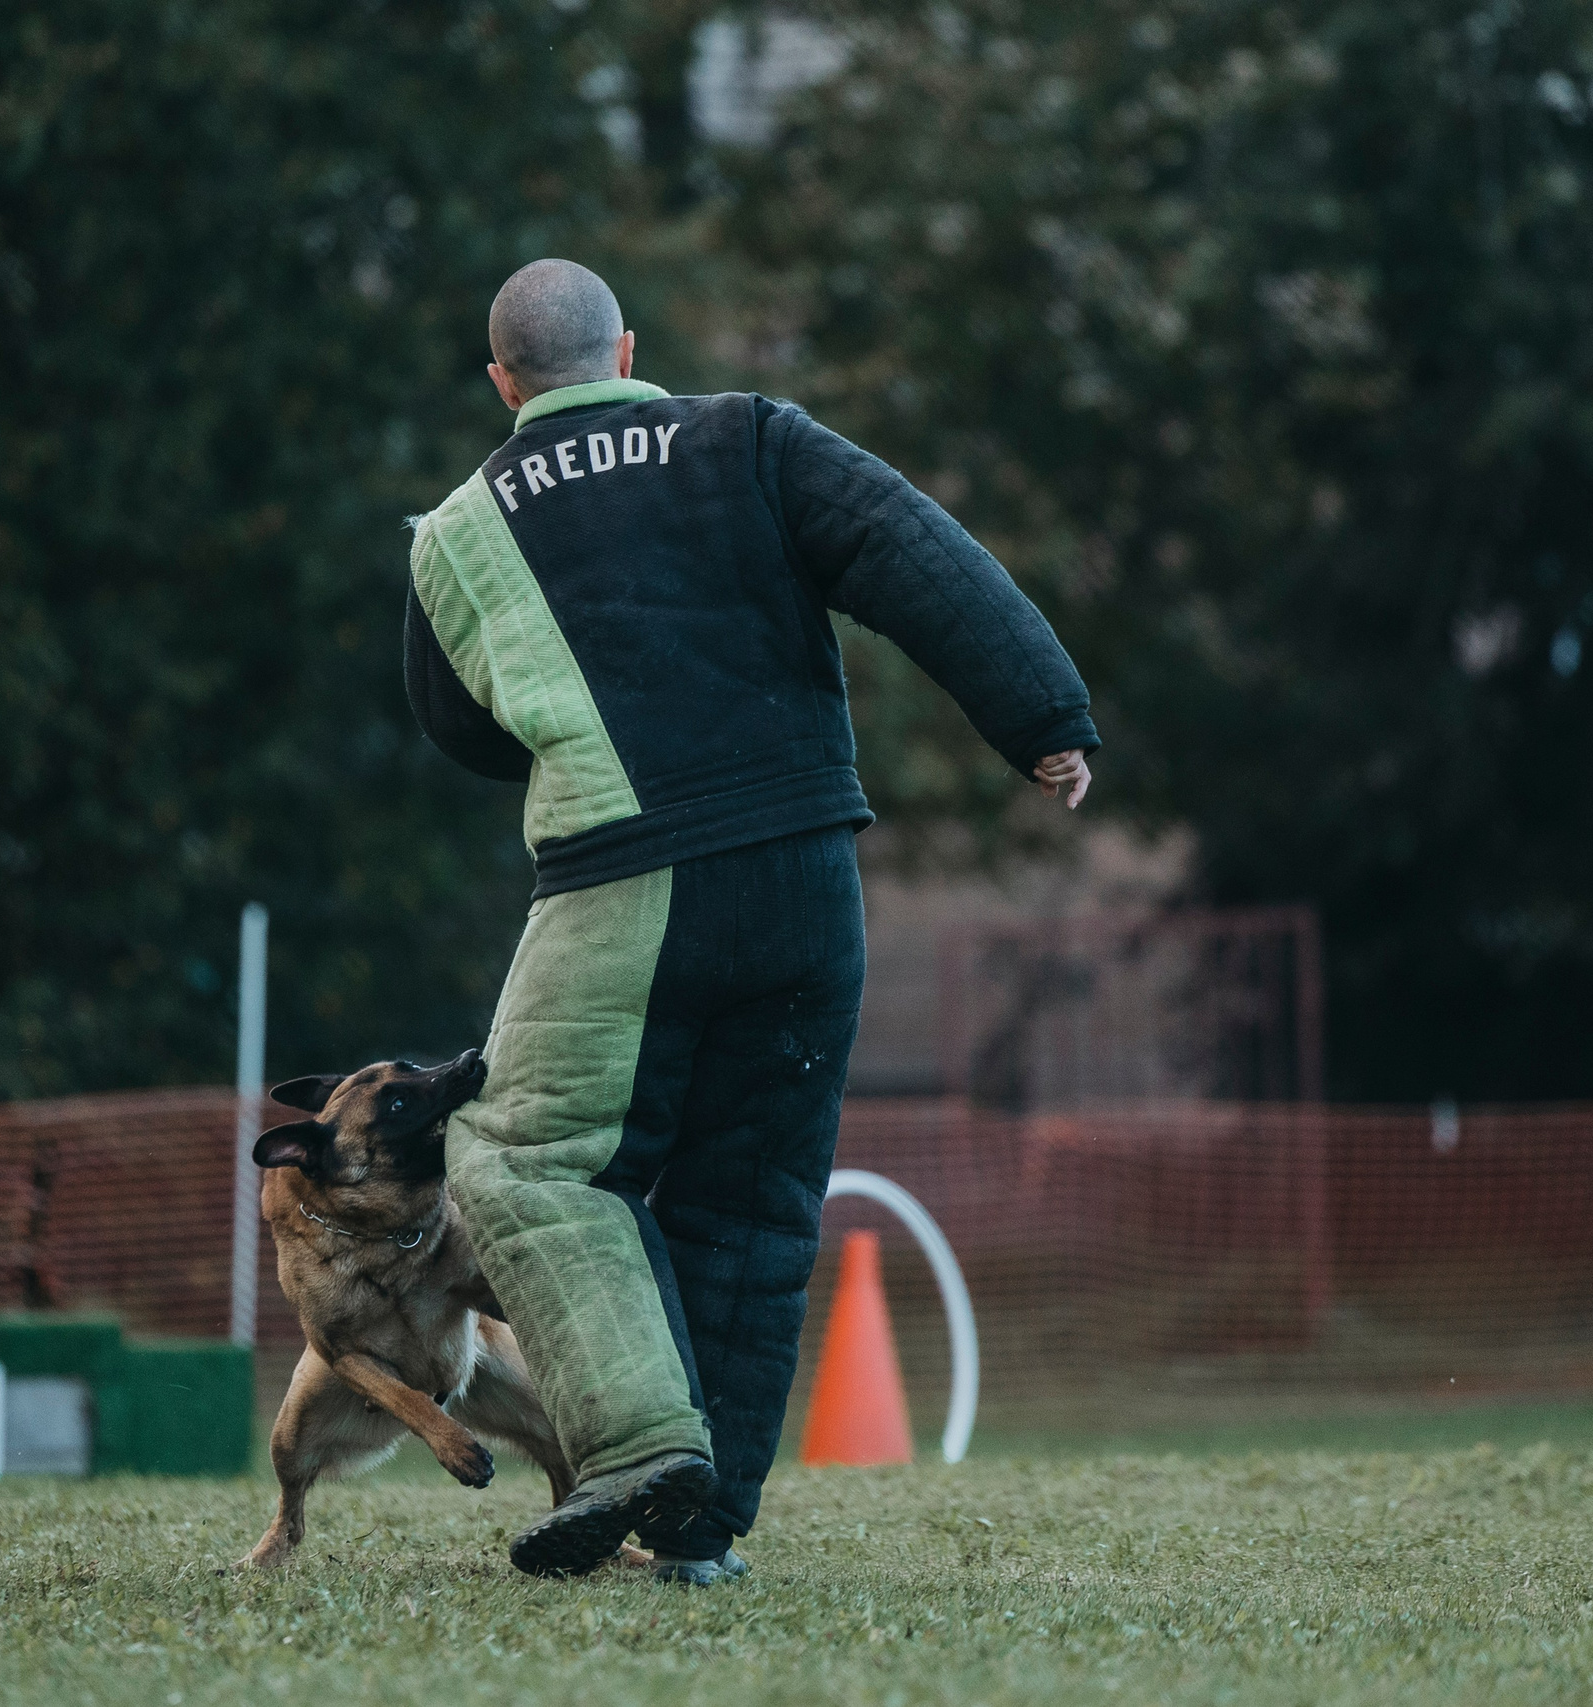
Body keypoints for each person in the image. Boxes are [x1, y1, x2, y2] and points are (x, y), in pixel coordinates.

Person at [404, 259, 1095, 1582]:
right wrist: (1044, 719)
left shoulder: (458, 531)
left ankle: (633, 1442)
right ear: (624, 352)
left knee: (525, 1161)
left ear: (501, 383)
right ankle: (701, 1535)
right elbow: (914, 554)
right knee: (754, 1202)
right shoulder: (751, 437)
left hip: (626, 880)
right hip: (808, 879)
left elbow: (462, 729)